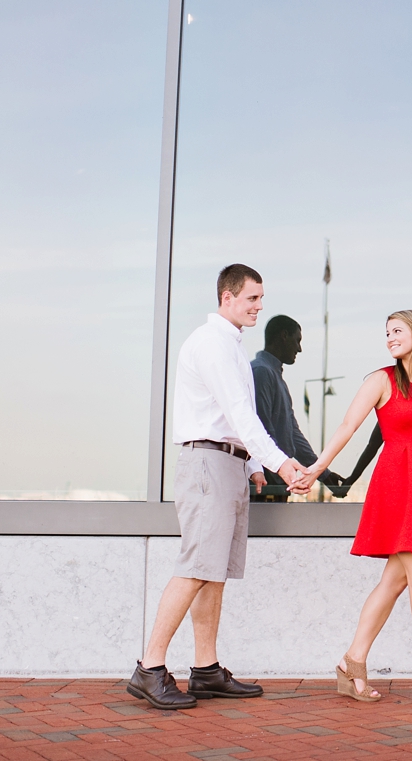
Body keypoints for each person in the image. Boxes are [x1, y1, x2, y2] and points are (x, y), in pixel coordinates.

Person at [127, 264, 306, 710]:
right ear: (227, 297)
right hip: (206, 463)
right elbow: (242, 416)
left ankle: (205, 671)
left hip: (226, 464)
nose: (259, 307)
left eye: (261, 298)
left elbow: (234, 418)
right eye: (252, 298)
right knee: (194, 567)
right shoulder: (211, 344)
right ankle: (149, 668)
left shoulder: (231, 345)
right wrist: (282, 464)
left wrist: (250, 468)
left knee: (213, 572)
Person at [290, 310, 412, 706]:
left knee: (396, 581)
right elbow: (347, 426)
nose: (390, 338)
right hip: (397, 486)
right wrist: (317, 469)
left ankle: (352, 664)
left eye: (398, 331)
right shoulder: (381, 380)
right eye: (387, 333)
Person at [251, 315, 319, 501]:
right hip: (265, 483)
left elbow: (293, 435)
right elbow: (261, 430)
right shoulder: (261, 373)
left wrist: (322, 472)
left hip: (277, 481)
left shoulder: (274, 376)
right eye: (297, 341)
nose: (299, 348)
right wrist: (280, 475)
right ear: (283, 336)